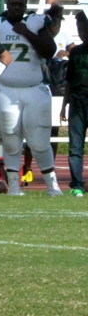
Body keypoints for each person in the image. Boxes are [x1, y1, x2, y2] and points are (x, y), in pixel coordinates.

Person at [0, 0, 62, 196]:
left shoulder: (34, 23)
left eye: (20, 4)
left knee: (39, 140)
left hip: (33, 88)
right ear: (7, 6)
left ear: (25, 7)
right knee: (10, 137)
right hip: (4, 87)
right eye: (13, 4)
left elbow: (49, 50)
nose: (17, 8)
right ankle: (14, 185)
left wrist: (26, 32)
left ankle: (52, 185)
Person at [63, 10, 88, 194]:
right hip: (77, 103)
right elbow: (70, 80)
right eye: (79, 27)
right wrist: (64, 104)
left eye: (84, 27)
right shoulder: (76, 52)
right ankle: (77, 184)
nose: (82, 31)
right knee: (75, 146)